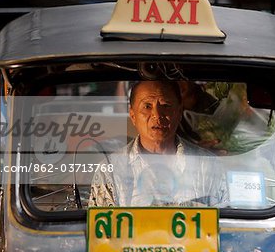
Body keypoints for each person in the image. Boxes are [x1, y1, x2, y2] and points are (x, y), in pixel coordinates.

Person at [88, 81, 229, 207]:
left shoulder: (208, 166)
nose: (157, 114)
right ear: (133, 116)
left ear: (179, 112)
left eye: (166, 105)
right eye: (147, 106)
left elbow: (223, 228)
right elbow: (101, 231)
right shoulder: (110, 170)